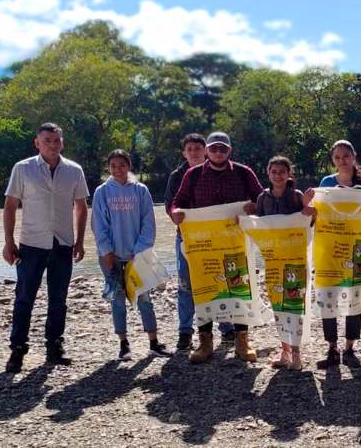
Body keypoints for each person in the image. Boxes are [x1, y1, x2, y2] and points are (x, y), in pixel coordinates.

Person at [2, 122, 90, 373]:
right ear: (37, 142)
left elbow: (81, 207)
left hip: (63, 243)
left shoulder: (74, 170)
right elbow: (10, 206)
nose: (53, 144)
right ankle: (17, 350)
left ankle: (54, 347)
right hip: (31, 244)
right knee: (24, 299)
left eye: (57, 140)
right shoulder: (23, 169)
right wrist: (9, 242)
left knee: (58, 300)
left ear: (63, 142)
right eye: (47, 140)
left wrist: (80, 241)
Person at [170, 131, 263, 364]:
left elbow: (262, 199)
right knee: (205, 288)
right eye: (214, 148)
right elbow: (178, 202)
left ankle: (242, 342)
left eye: (223, 148)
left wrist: (255, 207)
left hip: (235, 241)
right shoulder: (192, 175)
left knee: (238, 286)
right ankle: (205, 342)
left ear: (229, 151)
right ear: (207, 151)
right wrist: (175, 214)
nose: (218, 152)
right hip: (204, 245)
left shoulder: (243, 173)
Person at [308, 140, 361, 369]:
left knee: (355, 295)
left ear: (354, 156)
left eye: (345, 156)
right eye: (337, 157)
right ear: (333, 160)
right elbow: (317, 214)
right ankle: (332, 348)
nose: (342, 161)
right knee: (327, 298)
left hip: (357, 248)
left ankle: (350, 348)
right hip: (330, 250)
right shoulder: (326, 183)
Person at [92, 149, 172, 361]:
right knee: (117, 300)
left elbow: (148, 223)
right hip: (111, 258)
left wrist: (140, 251)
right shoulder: (102, 192)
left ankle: (154, 342)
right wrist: (106, 251)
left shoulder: (140, 190)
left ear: (129, 167)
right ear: (108, 168)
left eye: (122, 165)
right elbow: (99, 225)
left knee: (145, 298)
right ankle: (123, 344)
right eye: (113, 166)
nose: (118, 170)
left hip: (137, 256)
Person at [164, 133, 234, 352]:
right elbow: (170, 205)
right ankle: (185, 332)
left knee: (220, 280)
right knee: (186, 286)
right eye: (189, 149)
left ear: (205, 150)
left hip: (217, 239)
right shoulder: (177, 176)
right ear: (184, 152)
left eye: (197, 148)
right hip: (187, 238)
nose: (193, 152)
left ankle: (226, 326)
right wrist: (174, 214)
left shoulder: (217, 170)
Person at [254, 155, 316, 370]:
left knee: (295, 302)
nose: (278, 175)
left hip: (296, 260)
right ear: (268, 174)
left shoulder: (297, 196)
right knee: (278, 303)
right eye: (274, 172)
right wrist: (245, 217)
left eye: (282, 171)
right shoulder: (263, 198)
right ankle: (285, 349)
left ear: (289, 173)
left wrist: (312, 210)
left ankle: (297, 352)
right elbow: (258, 226)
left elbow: (310, 222)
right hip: (273, 261)